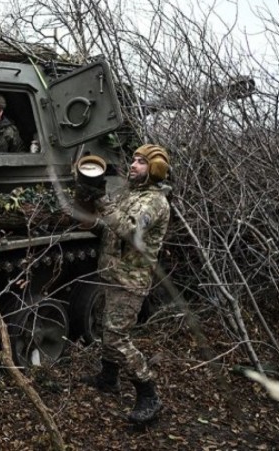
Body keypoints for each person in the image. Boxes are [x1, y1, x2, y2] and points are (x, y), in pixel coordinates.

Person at [78, 144, 171, 425]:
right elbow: (109, 227)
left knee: (117, 337)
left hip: (130, 280)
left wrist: (104, 203)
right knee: (107, 326)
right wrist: (89, 205)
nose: (133, 164)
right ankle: (108, 378)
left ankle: (148, 394)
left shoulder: (154, 202)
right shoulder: (132, 195)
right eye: (133, 159)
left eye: (141, 162)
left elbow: (131, 231)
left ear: (154, 170)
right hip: (112, 273)